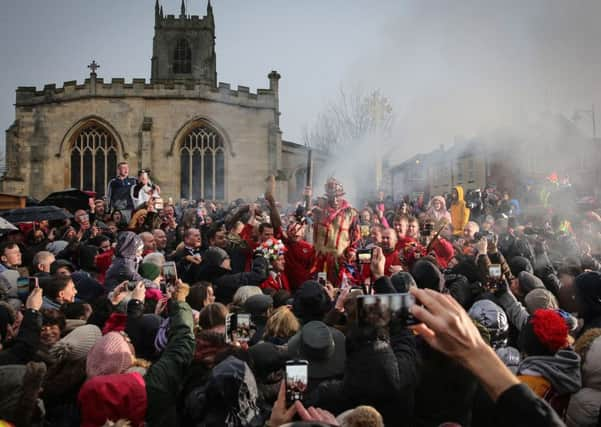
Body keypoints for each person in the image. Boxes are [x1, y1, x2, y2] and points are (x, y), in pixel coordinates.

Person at [312, 178, 359, 285]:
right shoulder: (319, 212)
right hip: (321, 260)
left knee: (341, 288)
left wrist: (352, 251)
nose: (335, 200)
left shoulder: (351, 213)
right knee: (320, 288)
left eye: (338, 196)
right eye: (332, 197)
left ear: (342, 195)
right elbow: (304, 218)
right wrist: (307, 197)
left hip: (341, 260)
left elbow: (356, 237)